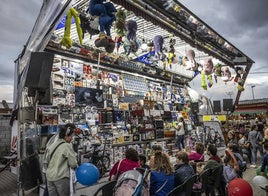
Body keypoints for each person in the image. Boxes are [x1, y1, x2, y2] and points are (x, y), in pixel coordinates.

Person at [44, 123, 78, 196]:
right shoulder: (67, 146)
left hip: (50, 177)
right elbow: (73, 164)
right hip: (61, 178)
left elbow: (47, 160)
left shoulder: (52, 145)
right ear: (66, 136)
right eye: (71, 136)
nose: (72, 138)